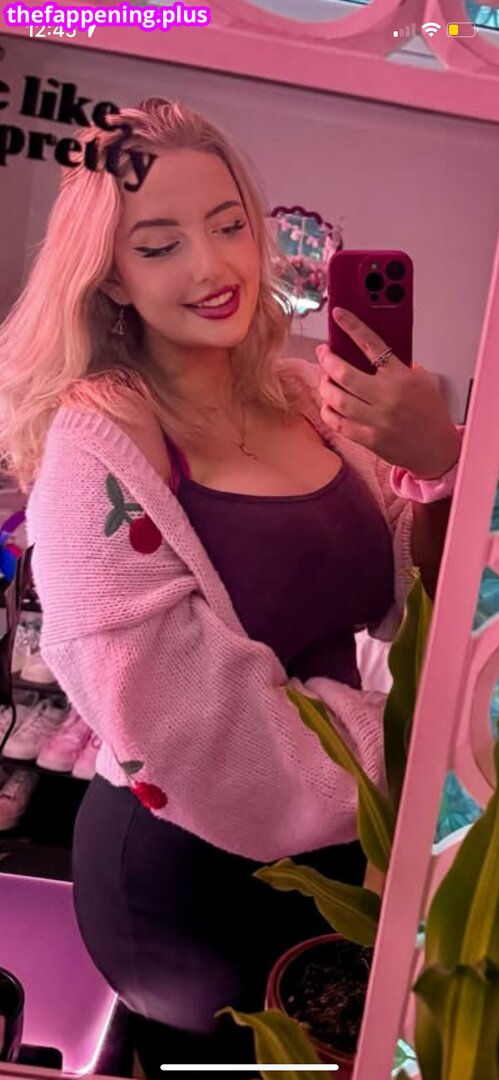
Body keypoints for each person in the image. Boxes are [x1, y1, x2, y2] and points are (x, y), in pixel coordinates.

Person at [0, 97, 462, 1078]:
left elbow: (426, 596)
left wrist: (439, 469)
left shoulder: (302, 397)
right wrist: (428, 754)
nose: (212, 268)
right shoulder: (99, 445)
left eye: (227, 225)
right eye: (160, 245)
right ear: (110, 275)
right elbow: (188, 727)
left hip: (340, 843)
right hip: (191, 871)